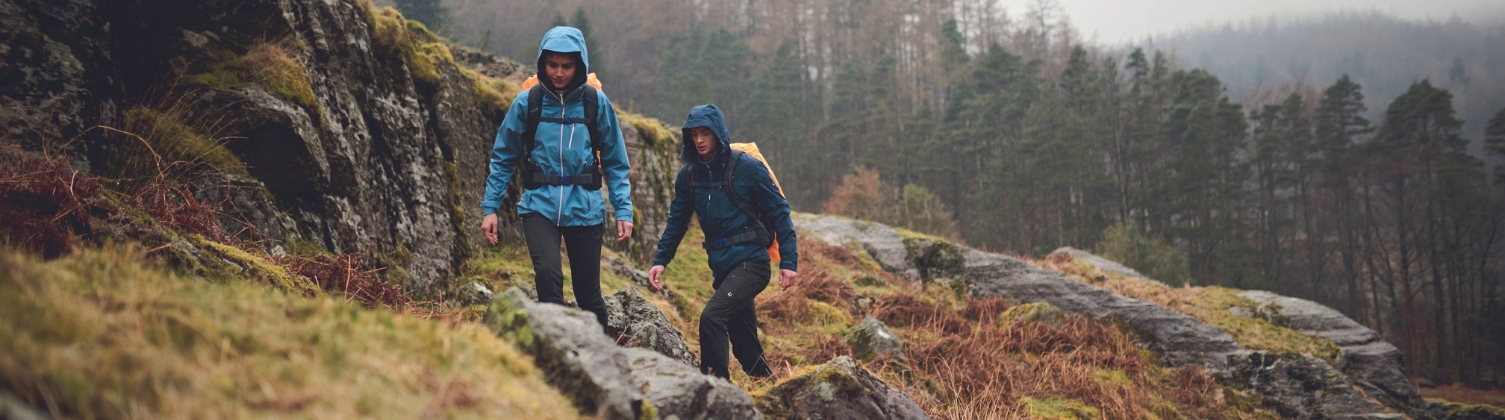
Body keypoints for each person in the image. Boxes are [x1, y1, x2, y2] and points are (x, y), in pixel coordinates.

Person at [479, 26, 633, 330]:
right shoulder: (527, 102)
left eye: (566, 66)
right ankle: (553, 358)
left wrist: (624, 210)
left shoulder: (595, 103)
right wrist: (490, 207)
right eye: (552, 65)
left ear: (580, 66)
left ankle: (604, 360)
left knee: (588, 296)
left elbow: (616, 162)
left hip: (586, 209)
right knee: (549, 278)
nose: (559, 73)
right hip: (539, 206)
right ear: (542, 63)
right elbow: (503, 156)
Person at [647, 104, 798, 379]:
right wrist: (661, 260)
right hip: (723, 268)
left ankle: (716, 392)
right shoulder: (689, 175)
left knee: (712, 318)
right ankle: (772, 389)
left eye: (706, 133)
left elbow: (779, 212)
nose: (700, 140)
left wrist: (789, 261)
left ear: (719, 133)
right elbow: (677, 221)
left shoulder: (748, 168)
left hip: (752, 265)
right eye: (694, 135)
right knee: (745, 346)